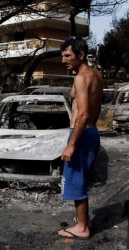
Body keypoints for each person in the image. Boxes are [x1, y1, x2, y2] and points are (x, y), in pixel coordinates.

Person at [57, 36, 103, 239]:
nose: (63, 60)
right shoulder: (96, 74)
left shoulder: (81, 78)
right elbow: (93, 107)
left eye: (67, 55)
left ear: (81, 55)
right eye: (62, 56)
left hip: (82, 134)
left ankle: (82, 228)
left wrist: (71, 145)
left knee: (75, 181)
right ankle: (82, 220)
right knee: (82, 180)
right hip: (91, 133)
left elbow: (83, 114)